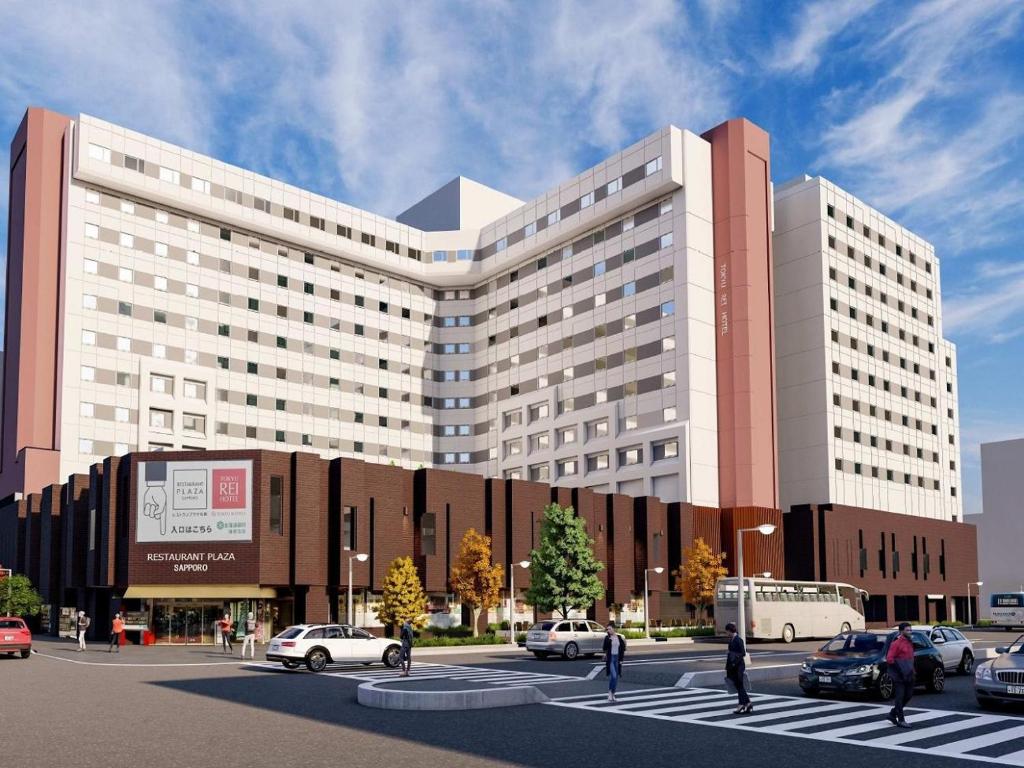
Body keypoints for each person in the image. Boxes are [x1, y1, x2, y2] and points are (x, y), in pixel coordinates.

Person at [886, 622, 916, 728]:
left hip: (909, 673)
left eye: (910, 630)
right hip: (899, 675)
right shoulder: (896, 643)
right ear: (901, 631)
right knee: (900, 696)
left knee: (908, 695)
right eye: (907, 630)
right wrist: (900, 670)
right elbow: (889, 659)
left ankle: (892, 714)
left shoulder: (909, 642)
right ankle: (901, 720)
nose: (909, 632)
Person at [725, 622, 752, 714]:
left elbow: (743, 653)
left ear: (729, 630)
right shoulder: (731, 640)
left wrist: (733, 655)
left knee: (739, 685)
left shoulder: (738, 640)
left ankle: (741, 704)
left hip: (739, 666)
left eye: (727, 631)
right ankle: (748, 703)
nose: (726, 633)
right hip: (733, 666)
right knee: (738, 685)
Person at [602, 622, 627, 701]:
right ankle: (610, 692)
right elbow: (604, 648)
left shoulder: (619, 637)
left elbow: (623, 649)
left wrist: (621, 660)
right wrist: (609, 640)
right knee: (614, 676)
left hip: (617, 659)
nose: (608, 630)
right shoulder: (607, 638)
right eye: (607, 629)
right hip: (611, 659)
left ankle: (613, 693)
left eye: (610, 629)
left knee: (616, 678)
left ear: (614, 629)